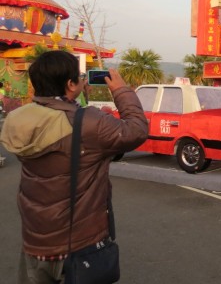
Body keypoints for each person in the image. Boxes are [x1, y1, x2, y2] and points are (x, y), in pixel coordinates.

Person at [0, 51, 148, 284]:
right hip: (77, 245)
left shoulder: (17, 119)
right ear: (70, 84)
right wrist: (120, 90)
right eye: (79, 76)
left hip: (35, 241)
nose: (82, 79)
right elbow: (137, 130)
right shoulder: (88, 122)